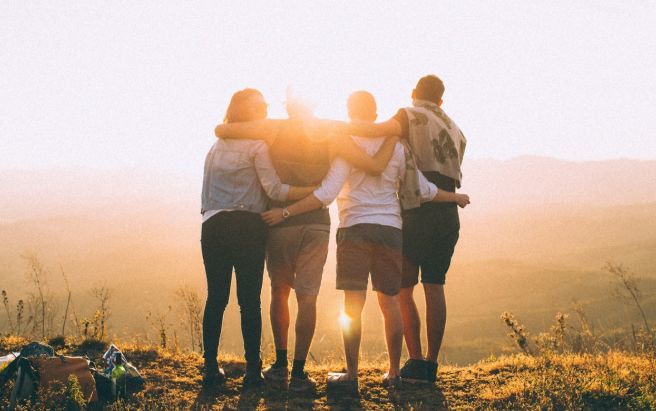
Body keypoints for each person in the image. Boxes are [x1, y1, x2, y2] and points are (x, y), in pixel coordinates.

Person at [261, 91, 470, 392]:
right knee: (391, 303)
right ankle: (394, 373)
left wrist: (286, 211)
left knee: (353, 306)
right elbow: (422, 189)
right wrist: (455, 197)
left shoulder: (346, 144)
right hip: (390, 230)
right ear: (375, 114)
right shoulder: (397, 146)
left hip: (354, 228)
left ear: (349, 111)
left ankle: (352, 375)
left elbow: (327, 193)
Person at [214, 92, 397, 393]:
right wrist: (393, 132)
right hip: (316, 224)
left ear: (288, 106)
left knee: (279, 291)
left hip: (279, 221)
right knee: (307, 297)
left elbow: (224, 130)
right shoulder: (332, 131)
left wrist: (222, 129)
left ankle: (280, 364)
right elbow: (371, 158)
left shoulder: (272, 128)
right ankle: (299, 373)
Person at [345, 75, 467, 383]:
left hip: (417, 210)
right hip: (447, 212)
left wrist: (335, 130)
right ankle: (431, 362)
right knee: (435, 285)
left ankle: (413, 361)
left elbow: (376, 131)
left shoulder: (408, 115)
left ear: (414, 94)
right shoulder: (455, 128)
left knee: (403, 288)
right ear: (441, 100)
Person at [200, 88, 316, 390]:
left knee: (216, 298)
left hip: (213, 226)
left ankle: (210, 368)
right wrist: (312, 191)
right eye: (262, 106)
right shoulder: (257, 145)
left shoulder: (216, 146)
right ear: (251, 113)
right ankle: (253, 371)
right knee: (249, 301)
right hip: (248, 227)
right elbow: (275, 191)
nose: (266, 109)